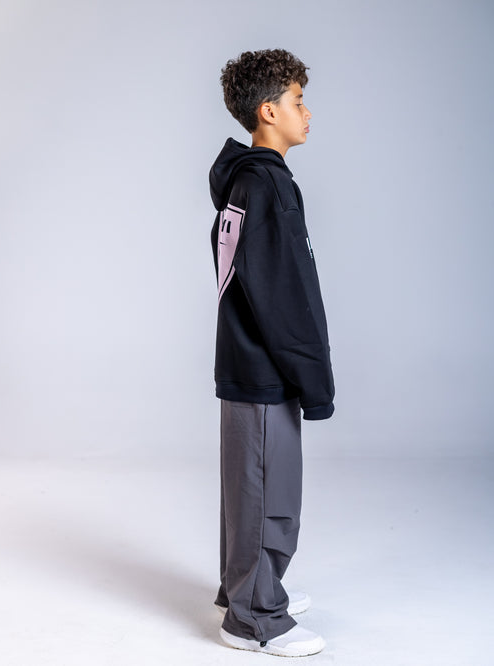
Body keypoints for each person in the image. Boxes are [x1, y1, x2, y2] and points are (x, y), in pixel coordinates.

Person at [209, 49, 335, 657]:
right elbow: (286, 297)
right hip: (265, 368)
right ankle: (255, 617)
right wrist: (315, 381)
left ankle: (244, 587)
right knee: (269, 493)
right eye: (298, 101)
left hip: (246, 362)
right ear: (268, 111)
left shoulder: (243, 180)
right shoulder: (268, 187)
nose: (307, 112)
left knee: (247, 491)